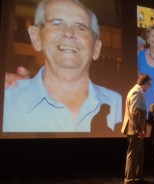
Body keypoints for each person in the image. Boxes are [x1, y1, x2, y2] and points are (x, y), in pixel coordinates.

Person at [3, 0, 122, 132]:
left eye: (81, 28)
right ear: (36, 37)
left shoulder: (119, 105)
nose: (69, 33)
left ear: (96, 48)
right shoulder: (8, 100)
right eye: (57, 24)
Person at [121, 73, 152, 184]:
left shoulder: (138, 92)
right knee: (134, 155)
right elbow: (135, 113)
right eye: (149, 84)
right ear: (145, 83)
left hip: (136, 129)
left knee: (138, 154)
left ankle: (137, 178)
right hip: (134, 130)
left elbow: (139, 113)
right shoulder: (136, 92)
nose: (149, 87)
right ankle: (129, 179)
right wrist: (139, 130)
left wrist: (146, 121)